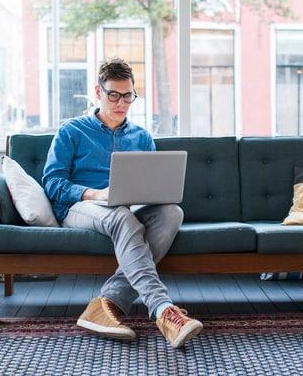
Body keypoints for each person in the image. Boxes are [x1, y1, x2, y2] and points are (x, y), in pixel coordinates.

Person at [42, 58, 203, 348]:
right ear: (97, 92)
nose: (121, 102)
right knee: (121, 216)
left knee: (171, 213)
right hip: (81, 207)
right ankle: (163, 310)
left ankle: (105, 305)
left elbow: (153, 184)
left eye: (127, 96)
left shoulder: (141, 136)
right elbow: (52, 183)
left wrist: (153, 196)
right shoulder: (72, 131)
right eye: (113, 95)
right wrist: (96, 193)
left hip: (126, 208)